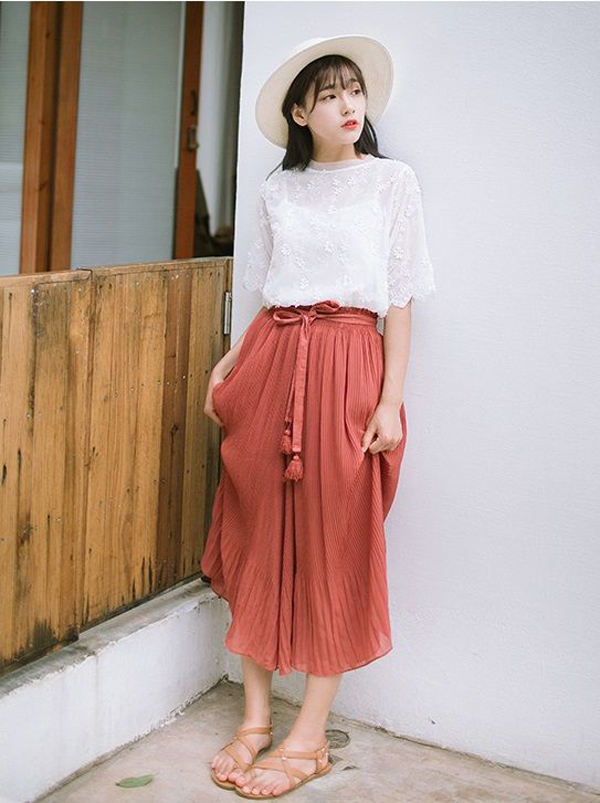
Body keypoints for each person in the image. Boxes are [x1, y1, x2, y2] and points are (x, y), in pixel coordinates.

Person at [201, 34, 436, 799]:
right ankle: (256, 718)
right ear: (300, 113)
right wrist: (233, 362)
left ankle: (309, 736)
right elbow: (273, 288)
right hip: (273, 356)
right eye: (329, 94)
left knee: (338, 539)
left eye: (354, 91)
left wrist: (390, 399)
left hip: (348, 362)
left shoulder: (392, 182)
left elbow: (399, 298)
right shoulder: (280, 188)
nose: (347, 105)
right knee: (256, 531)